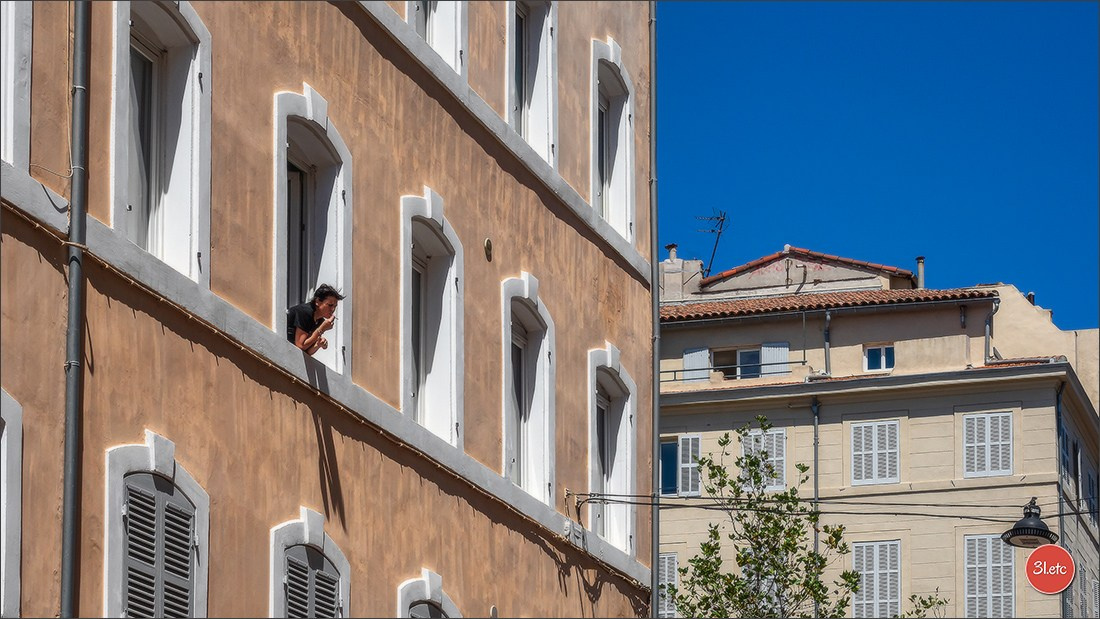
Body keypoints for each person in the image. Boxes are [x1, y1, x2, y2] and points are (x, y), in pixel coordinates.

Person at [286, 284, 345, 356]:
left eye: (335, 306)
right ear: (317, 301)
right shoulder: (305, 312)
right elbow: (300, 345)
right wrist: (322, 329)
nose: (333, 309)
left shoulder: (319, 321)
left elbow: (307, 351)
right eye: (330, 305)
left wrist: (318, 344)